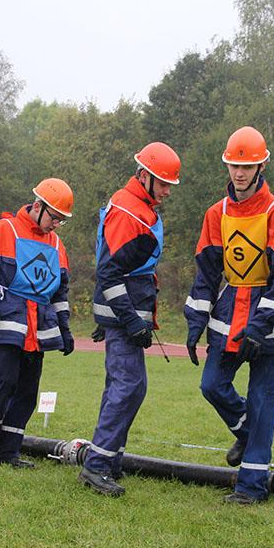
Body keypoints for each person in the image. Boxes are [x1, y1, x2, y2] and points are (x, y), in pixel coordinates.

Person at [184, 126, 274, 505]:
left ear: (261, 165)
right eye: (235, 165)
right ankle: (247, 434)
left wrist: (260, 326)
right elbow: (206, 274)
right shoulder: (215, 214)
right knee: (211, 385)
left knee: (263, 402)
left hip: (271, 320)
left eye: (247, 166)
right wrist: (194, 322)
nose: (240, 173)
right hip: (229, 313)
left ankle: (251, 489)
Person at [79, 142, 181, 497]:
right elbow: (109, 273)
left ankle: (109, 459)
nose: (168, 191)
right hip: (125, 314)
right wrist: (129, 321)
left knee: (125, 386)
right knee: (129, 385)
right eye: (163, 183)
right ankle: (97, 465)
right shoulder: (129, 210)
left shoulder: (136, 206)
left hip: (125, 311)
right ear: (144, 176)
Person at [0, 178, 75, 468]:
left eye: (61, 221)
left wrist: (64, 327)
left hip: (38, 329)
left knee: (27, 392)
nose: (56, 225)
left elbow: (60, 290)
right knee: (2, 385)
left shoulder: (55, 243)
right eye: (55, 218)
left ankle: (10, 452)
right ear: (38, 206)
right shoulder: (5, 230)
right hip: (8, 322)